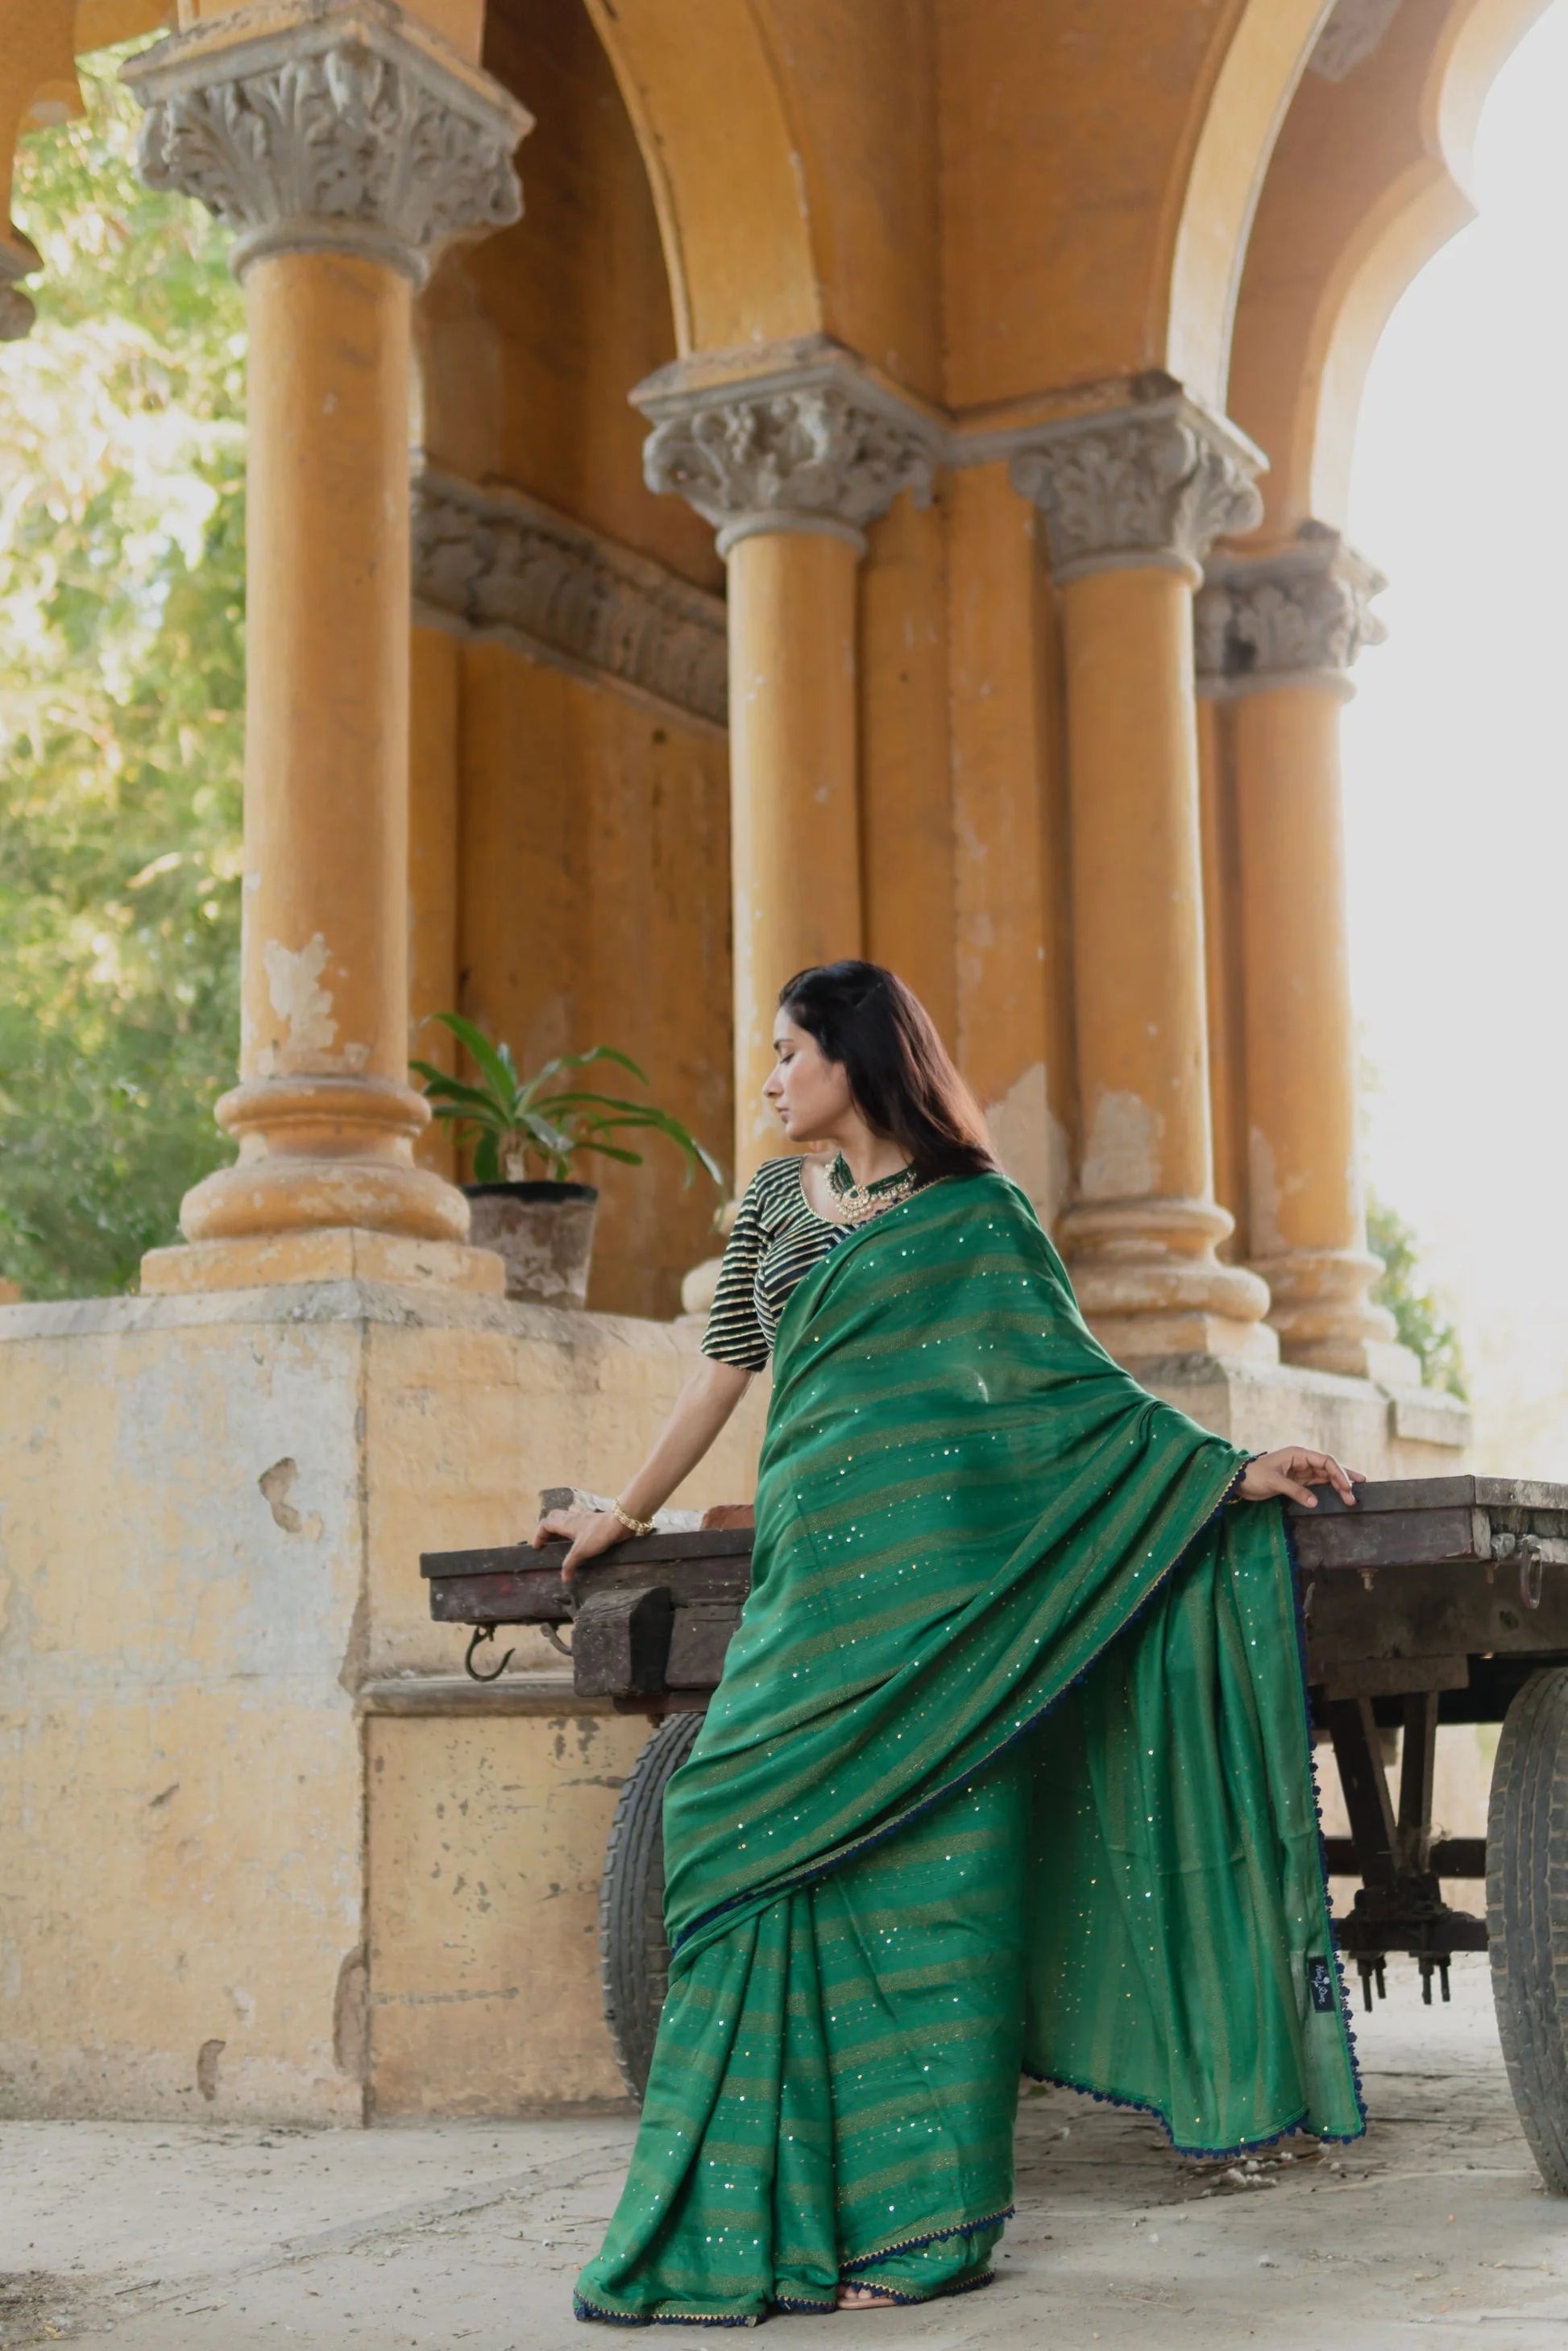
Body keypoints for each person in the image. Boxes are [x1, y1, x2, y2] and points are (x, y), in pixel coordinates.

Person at [537, 960, 1365, 2326]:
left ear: (854, 1057)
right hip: (816, 1590)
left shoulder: (978, 1215)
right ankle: (750, 2215)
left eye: (789, 1051)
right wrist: (620, 1511)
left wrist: (1224, 1471)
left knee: (931, 1893)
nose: (770, 1079)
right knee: (727, 1826)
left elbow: (1070, 1393)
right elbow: (721, 1372)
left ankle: (925, 2233)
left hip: (950, 1609)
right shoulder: (770, 1205)